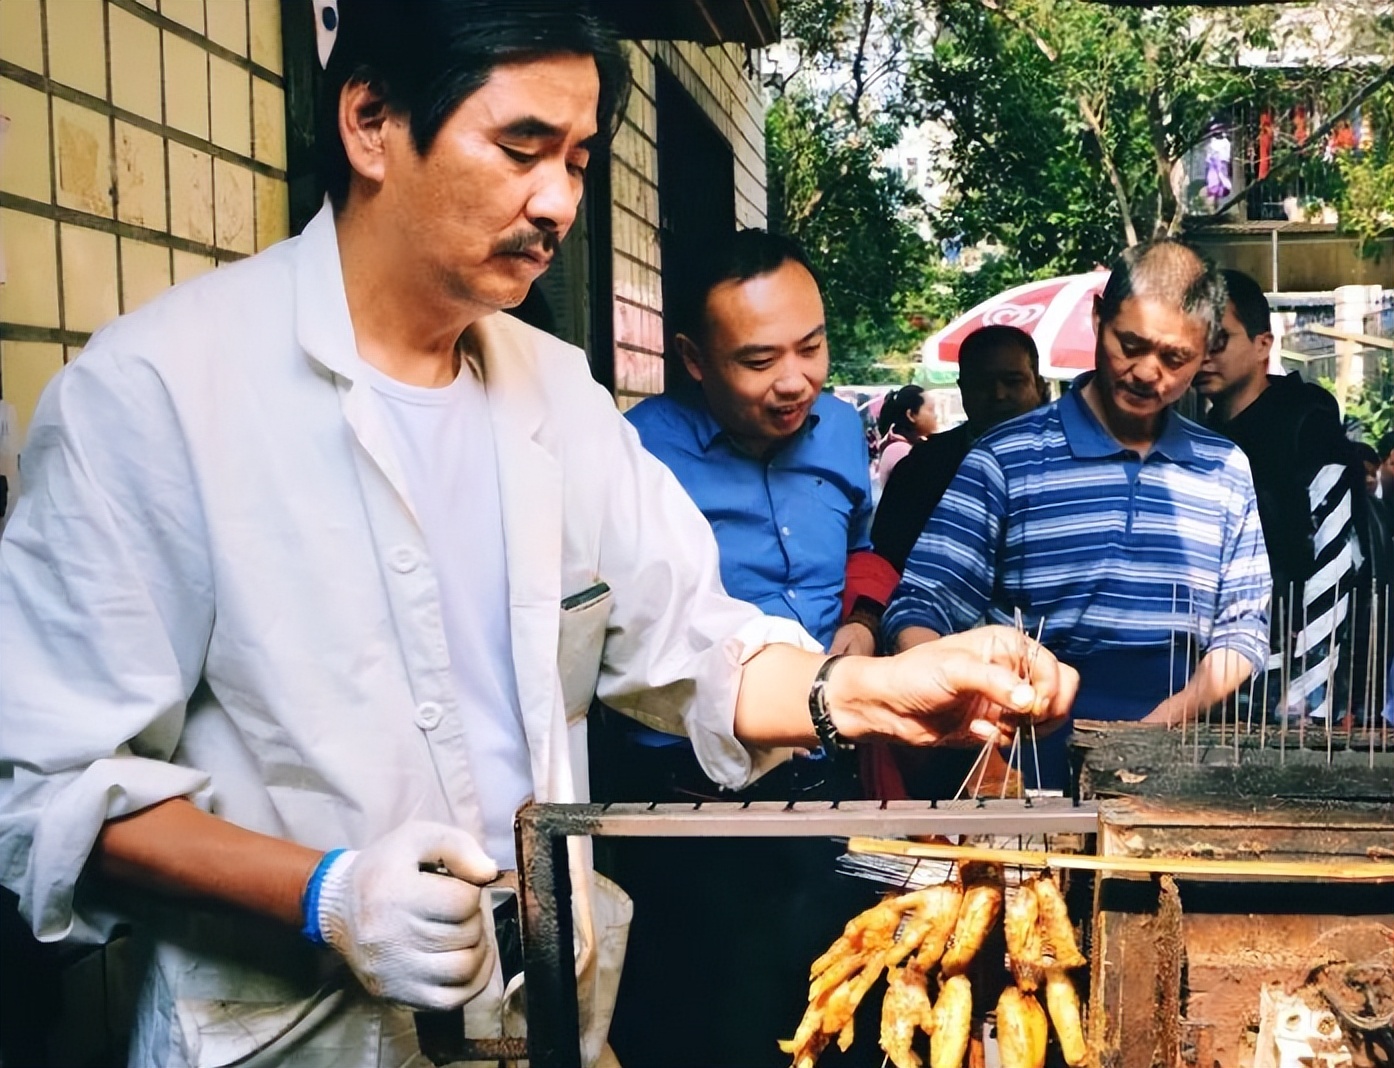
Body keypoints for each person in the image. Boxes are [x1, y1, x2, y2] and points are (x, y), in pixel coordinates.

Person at [0, 4, 1075, 1067]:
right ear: (370, 119)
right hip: (287, 1035)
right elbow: (50, 792)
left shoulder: (555, 393)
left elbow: (686, 644)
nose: (558, 201)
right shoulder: (157, 395)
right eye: (521, 148)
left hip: (542, 1019)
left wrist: (863, 692)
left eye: (578, 157)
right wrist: (327, 894)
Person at [614, 230, 900, 1065]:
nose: (795, 380)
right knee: (712, 1034)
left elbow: (862, 548)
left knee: (845, 1022)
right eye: (758, 360)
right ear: (693, 360)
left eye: (811, 347)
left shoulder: (845, 430)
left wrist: (863, 619)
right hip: (683, 807)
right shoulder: (634, 455)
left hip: (829, 786)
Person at [884, 240, 1270, 790]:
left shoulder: (1224, 469)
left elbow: (1244, 630)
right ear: (1098, 320)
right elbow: (922, 602)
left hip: (1180, 750)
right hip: (1022, 751)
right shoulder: (1005, 458)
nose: (1146, 372)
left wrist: (1153, 732)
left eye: (1174, 358)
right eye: (1129, 344)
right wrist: (970, 725)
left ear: (1204, 350)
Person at [1193, 268, 1364, 722]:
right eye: (1196, 340)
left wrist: (1310, 695)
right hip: (1221, 677)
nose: (1203, 356)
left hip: (1292, 678)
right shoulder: (1200, 435)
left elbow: (1335, 557)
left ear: (1263, 344)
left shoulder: (1307, 426)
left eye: (1220, 340)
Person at [873, 325, 1047, 572]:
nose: (998, 394)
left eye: (1012, 382)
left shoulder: (1073, 465)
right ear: (962, 388)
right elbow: (887, 562)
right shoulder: (921, 469)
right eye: (981, 383)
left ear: (1038, 386)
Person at [875, 383, 937, 488]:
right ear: (911, 415)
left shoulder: (906, 445)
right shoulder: (900, 450)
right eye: (930, 410)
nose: (935, 416)